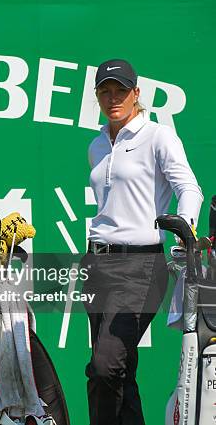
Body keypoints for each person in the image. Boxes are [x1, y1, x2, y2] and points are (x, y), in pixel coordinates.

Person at [83, 59, 203, 425]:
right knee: (119, 374)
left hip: (140, 267)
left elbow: (189, 188)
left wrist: (186, 231)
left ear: (136, 94)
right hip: (97, 263)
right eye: (106, 91)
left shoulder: (158, 136)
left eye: (121, 90)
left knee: (104, 368)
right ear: (98, 96)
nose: (113, 97)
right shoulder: (97, 145)